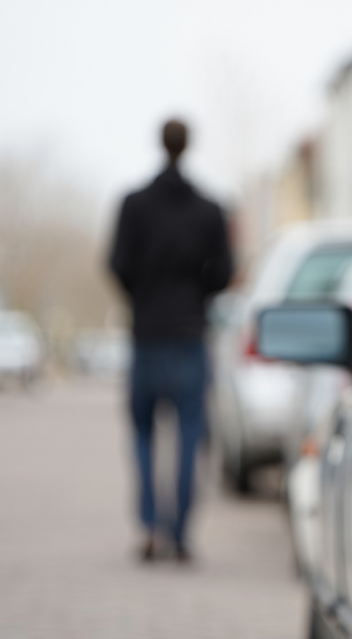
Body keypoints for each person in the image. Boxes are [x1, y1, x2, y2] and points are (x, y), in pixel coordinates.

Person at [109, 119, 232, 562]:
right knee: (189, 435)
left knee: (142, 433)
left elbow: (117, 264)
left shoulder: (133, 205)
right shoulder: (210, 209)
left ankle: (148, 528)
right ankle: (180, 532)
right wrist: (195, 293)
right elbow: (222, 272)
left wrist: (142, 298)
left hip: (146, 336)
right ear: (188, 146)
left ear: (160, 145)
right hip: (190, 336)